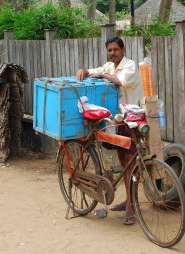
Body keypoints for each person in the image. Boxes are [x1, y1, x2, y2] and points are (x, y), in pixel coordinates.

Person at [76, 36, 143, 225]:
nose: (112, 53)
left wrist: (102, 75)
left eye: (115, 50)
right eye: (109, 50)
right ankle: (129, 199)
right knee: (124, 162)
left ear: (123, 50)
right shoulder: (109, 66)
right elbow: (94, 71)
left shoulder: (130, 66)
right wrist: (84, 71)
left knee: (132, 164)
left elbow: (119, 81)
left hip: (133, 119)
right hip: (118, 120)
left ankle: (132, 205)